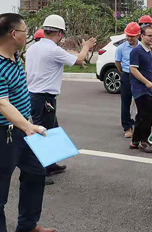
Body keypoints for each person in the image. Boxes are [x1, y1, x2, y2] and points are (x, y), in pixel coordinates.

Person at [0, 13, 55, 232]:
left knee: (36, 173)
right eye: (25, 31)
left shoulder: (14, 55)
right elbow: (3, 104)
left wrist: (27, 125)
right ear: (13, 34)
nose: (27, 35)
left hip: (21, 130)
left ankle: (28, 225)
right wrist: (29, 126)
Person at [25, 15, 96, 181]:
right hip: (44, 97)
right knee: (43, 134)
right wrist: (86, 46)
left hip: (34, 95)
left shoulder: (33, 48)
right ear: (60, 33)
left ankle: (50, 164)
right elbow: (79, 59)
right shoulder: (53, 50)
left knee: (52, 130)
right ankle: (39, 172)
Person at [129, 25, 152, 153]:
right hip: (140, 89)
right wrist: (146, 82)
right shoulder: (137, 51)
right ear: (142, 36)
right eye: (149, 36)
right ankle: (144, 141)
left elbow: (150, 68)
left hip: (148, 88)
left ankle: (135, 141)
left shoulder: (149, 50)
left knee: (141, 115)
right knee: (148, 113)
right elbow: (133, 69)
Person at [115, 22, 141, 138]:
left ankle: (139, 125)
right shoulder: (121, 48)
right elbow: (118, 62)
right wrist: (124, 73)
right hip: (127, 75)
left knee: (141, 102)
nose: (130, 38)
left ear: (138, 35)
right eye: (128, 36)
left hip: (139, 76)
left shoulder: (142, 47)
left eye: (132, 36)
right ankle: (127, 127)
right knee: (126, 102)